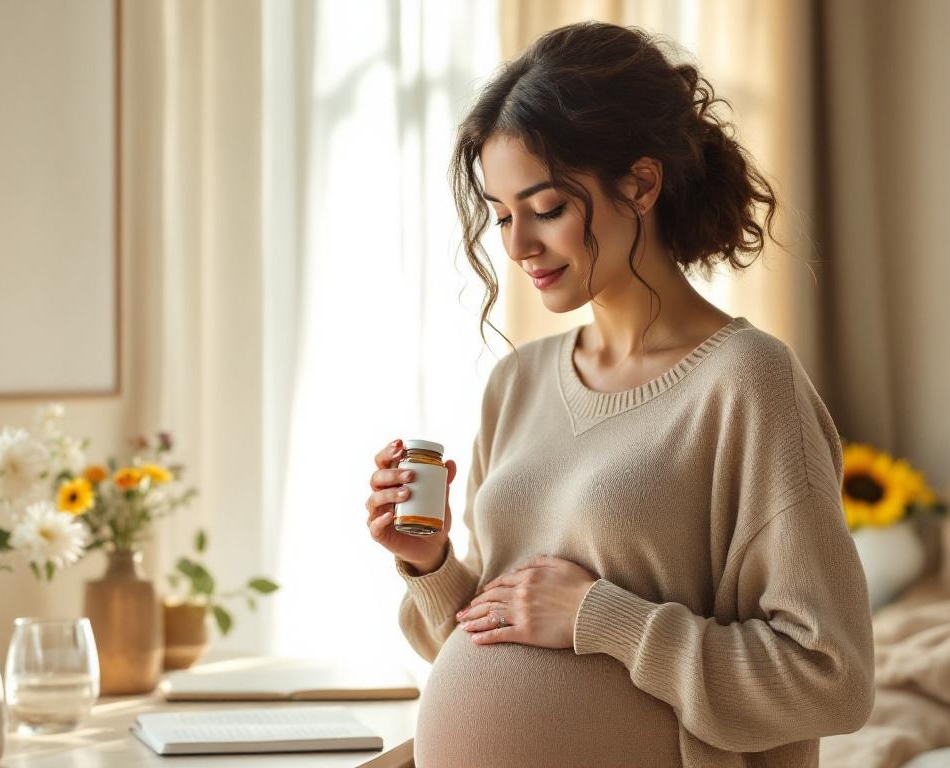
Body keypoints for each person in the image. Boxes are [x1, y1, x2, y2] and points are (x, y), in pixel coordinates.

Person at [365, 20, 874, 768]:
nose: (517, 246)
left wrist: (603, 619)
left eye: (546, 208)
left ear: (639, 184)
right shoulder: (517, 384)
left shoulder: (747, 382)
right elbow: (494, 638)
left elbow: (830, 678)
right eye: (502, 216)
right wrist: (432, 563)